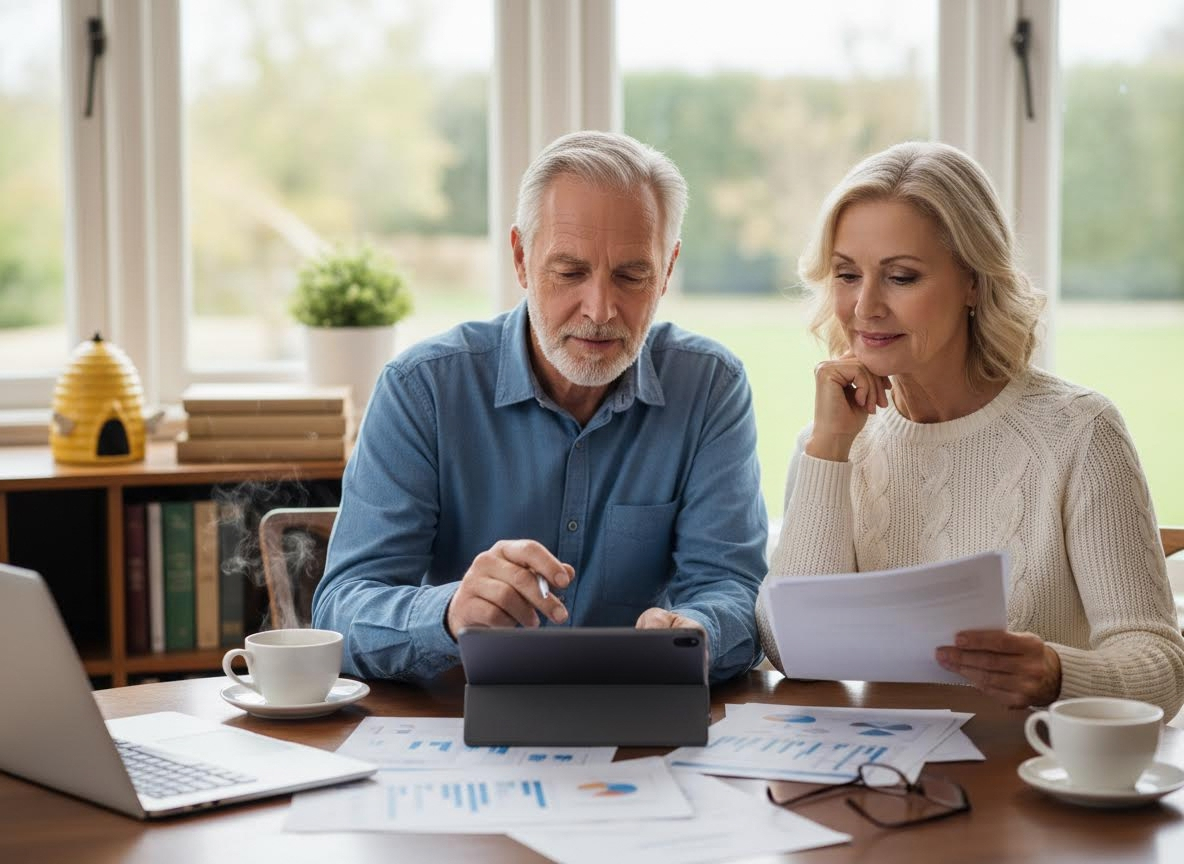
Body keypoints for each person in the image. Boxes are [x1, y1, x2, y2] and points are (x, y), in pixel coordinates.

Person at [313, 130, 767, 684]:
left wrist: (696, 631)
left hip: (641, 722)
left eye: (631, 275)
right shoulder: (422, 389)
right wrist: (450, 614)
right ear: (522, 260)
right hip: (459, 726)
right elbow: (340, 609)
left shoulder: (710, 387)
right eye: (570, 272)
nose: (600, 310)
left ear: (667, 269)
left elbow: (735, 590)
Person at [757, 140, 1184, 715]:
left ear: (974, 284)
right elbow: (793, 650)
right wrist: (828, 450)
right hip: (883, 782)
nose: (865, 307)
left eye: (901, 277)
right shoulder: (834, 442)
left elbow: (1159, 665)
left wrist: (1058, 673)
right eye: (847, 275)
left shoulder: (1081, 433)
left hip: (1030, 778)